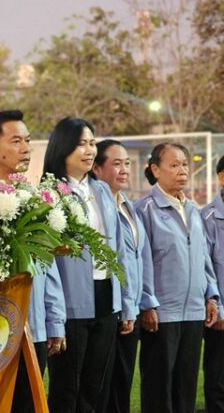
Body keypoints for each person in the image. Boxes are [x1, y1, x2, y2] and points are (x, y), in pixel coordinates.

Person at [0, 110, 66, 412]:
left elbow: (47, 266)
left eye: (27, 140)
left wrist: (54, 321)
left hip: (35, 328)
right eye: (16, 141)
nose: (26, 148)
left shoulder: (36, 199)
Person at [43, 117, 127, 413]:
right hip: (70, 304)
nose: (90, 150)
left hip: (106, 299)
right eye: (81, 144)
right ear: (63, 147)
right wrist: (54, 316)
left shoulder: (101, 190)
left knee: (94, 389)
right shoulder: (49, 194)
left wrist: (125, 302)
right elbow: (47, 260)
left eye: (92, 143)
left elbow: (117, 248)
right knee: (67, 391)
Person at [135, 142, 219, 413]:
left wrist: (211, 295)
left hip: (194, 312)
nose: (182, 170)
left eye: (184, 164)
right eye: (174, 165)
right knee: (158, 390)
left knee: (186, 388)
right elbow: (140, 261)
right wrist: (147, 303)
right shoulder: (144, 209)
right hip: (162, 314)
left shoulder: (193, 209)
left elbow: (204, 256)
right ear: (155, 170)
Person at [91, 140, 159, 413]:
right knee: (102, 390)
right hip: (112, 309)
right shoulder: (96, 208)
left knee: (122, 385)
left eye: (127, 163)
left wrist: (145, 302)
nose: (124, 170)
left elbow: (141, 258)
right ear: (96, 168)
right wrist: (126, 306)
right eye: (116, 163)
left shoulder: (128, 206)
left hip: (131, 310)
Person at [202, 155, 224, 413]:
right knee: (218, 377)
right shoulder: (207, 217)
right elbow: (205, 267)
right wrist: (218, 307)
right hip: (220, 315)